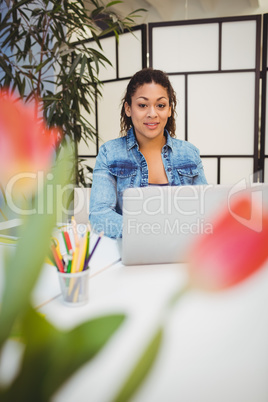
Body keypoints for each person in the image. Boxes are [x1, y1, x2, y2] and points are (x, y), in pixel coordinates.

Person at [89, 68, 207, 238]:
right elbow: (99, 215)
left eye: (160, 105)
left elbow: (205, 211)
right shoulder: (110, 153)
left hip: (181, 253)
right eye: (143, 105)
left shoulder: (190, 154)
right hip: (131, 253)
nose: (152, 114)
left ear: (169, 110)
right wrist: (147, 232)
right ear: (128, 109)